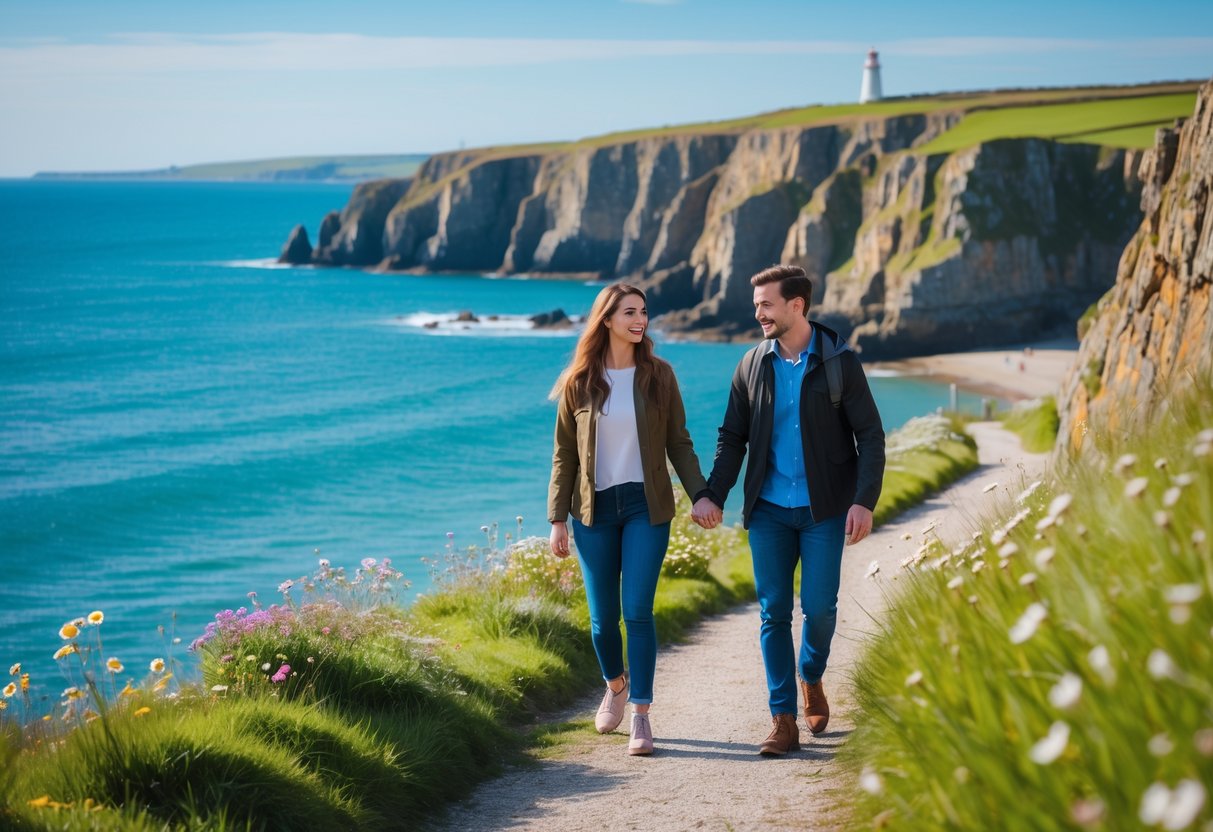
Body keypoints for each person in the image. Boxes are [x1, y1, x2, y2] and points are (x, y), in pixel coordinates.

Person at [691, 264, 885, 756]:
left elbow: (871, 436)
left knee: (819, 609)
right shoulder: (751, 365)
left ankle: (811, 675)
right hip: (770, 511)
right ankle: (783, 719)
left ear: (796, 306)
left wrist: (863, 501)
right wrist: (713, 492)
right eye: (756, 304)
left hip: (824, 509)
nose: (757, 313)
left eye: (765, 304)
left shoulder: (840, 363)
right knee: (773, 612)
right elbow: (732, 438)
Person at [548, 282, 708, 756]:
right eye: (630, 313)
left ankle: (640, 714)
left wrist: (700, 494)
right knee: (602, 622)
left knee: (637, 611)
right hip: (593, 511)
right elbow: (563, 456)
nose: (640, 320)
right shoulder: (579, 381)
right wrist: (557, 519)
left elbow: (678, 441)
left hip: (646, 506)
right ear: (607, 320)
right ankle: (616, 684)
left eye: (643, 312)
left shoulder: (659, 375)